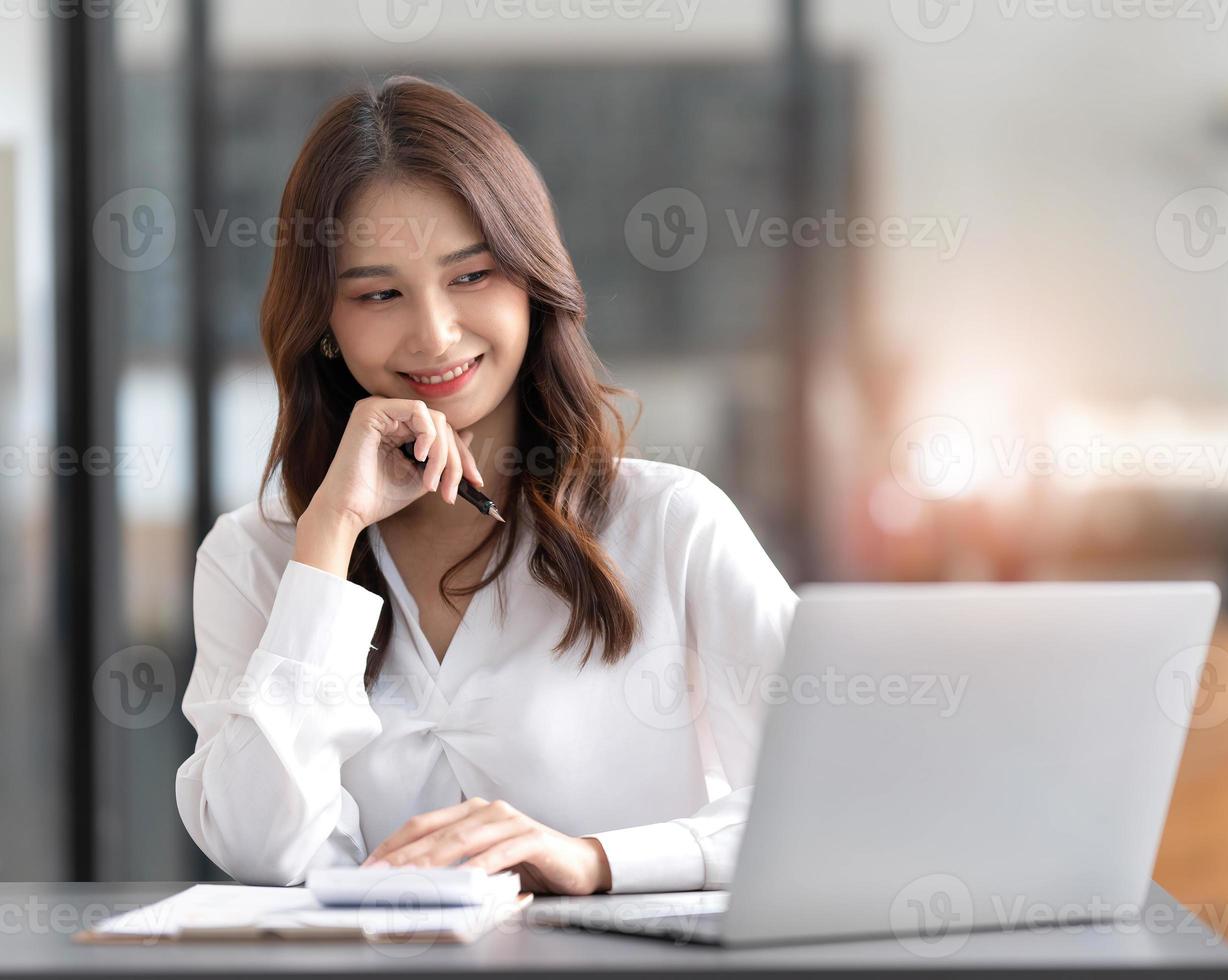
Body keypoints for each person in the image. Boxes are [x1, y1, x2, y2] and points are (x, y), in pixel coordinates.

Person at [174, 75, 798, 894]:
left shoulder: (671, 525)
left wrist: (595, 860)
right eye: (378, 293)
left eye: (471, 277)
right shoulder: (255, 557)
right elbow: (262, 847)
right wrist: (329, 536)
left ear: (534, 284)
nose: (435, 334)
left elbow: (825, 797)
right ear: (324, 324)